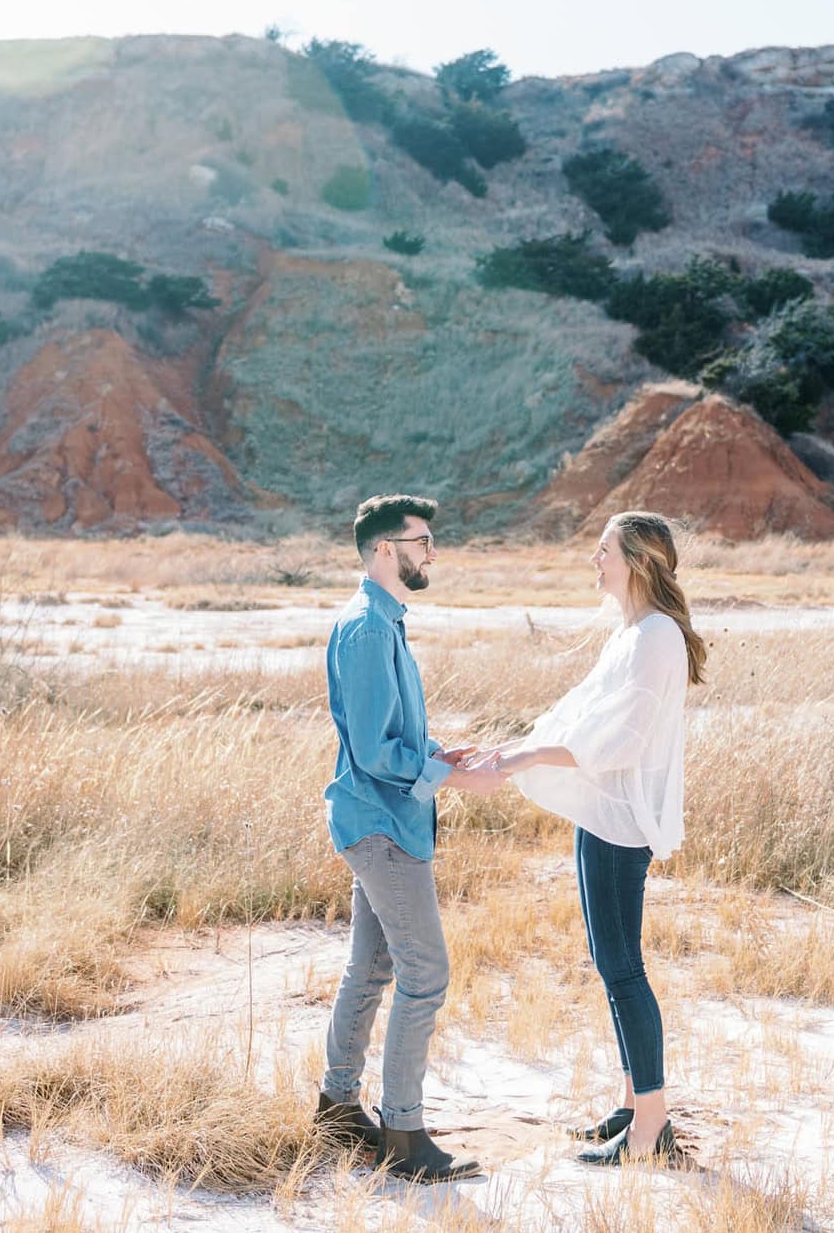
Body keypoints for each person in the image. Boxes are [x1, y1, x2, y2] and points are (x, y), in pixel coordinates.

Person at [466, 511, 706, 1165]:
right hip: (601, 817)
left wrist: (522, 761)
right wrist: (507, 748)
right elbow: (576, 715)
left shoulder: (656, 636)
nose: (593, 562)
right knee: (611, 964)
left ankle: (653, 1130)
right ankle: (632, 1104)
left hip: (620, 824)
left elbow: (619, 740)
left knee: (623, 967)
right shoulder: (630, 633)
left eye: (602, 551)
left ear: (635, 560)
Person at [314, 494, 506, 1183]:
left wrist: (441, 755)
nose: (432, 553)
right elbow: (372, 750)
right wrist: (448, 781)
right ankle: (403, 1133)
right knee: (425, 976)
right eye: (422, 542)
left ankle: (336, 1107)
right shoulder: (368, 628)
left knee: (370, 968)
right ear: (384, 550)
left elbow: (393, 735)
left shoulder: (385, 621)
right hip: (381, 825)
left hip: (382, 819)